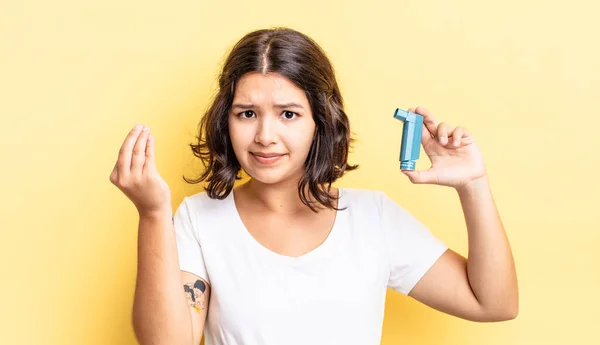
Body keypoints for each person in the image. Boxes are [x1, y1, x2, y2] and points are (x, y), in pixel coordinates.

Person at [110, 27, 518, 345]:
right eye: (247, 113)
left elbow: (494, 303)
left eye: (288, 114)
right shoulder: (198, 220)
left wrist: (473, 184)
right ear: (226, 121)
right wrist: (152, 214)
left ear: (320, 121)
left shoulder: (374, 218)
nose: (265, 135)